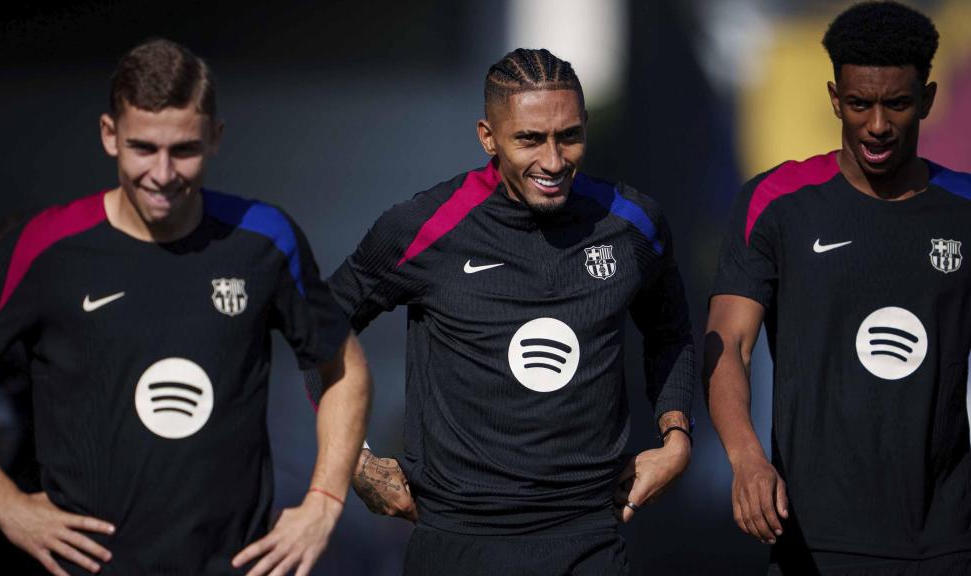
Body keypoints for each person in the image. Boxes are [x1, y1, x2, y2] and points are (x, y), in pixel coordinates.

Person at [0, 38, 370, 576]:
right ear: (109, 136)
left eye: (184, 149)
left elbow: (345, 369)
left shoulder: (264, 237)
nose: (164, 173)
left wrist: (322, 505)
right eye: (143, 147)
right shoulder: (46, 245)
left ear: (215, 138)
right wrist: (3, 502)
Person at [324, 48, 695, 575]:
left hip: (590, 538)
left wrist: (676, 438)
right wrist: (354, 461)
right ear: (488, 137)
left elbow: (671, 332)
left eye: (569, 136)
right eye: (529, 139)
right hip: (459, 543)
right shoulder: (425, 227)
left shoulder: (632, 223)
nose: (553, 160)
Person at [706, 2, 971, 574]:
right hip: (811, 540)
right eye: (859, 104)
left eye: (897, 104)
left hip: (947, 542)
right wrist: (747, 460)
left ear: (926, 100)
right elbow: (728, 343)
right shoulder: (776, 204)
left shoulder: (963, 209)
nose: (877, 125)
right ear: (834, 99)